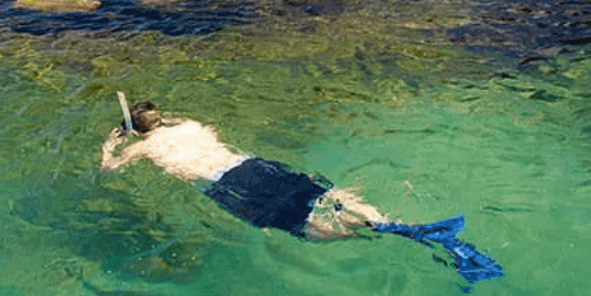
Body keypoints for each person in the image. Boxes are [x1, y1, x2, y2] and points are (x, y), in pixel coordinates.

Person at [99, 101, 388, 240]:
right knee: (319, 193)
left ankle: (359, 234)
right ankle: (378, 218)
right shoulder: (191, 126)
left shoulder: (142, 148)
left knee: (292, 223)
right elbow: (191, 124)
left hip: (225, 183)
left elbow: (108, 170)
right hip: (248, 163)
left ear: (135, 132)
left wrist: (110, 144)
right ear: (161, 118)